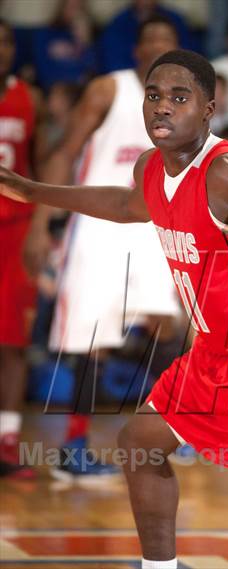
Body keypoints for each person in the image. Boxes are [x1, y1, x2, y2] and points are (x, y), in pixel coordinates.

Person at [0, 49, 228, 569]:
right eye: (154, 95)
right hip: (216, 355)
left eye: (179, 97)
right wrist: (30, 190)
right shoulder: (151, 167)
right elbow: (125, 205)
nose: (163, 108)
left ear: (208, 109)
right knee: (140, 445)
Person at [25, 16, 180, 481]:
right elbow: (64, 151)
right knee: (91, 338)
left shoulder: (181, 103)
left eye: (166, 43)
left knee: (170, 326)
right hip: (98, 224)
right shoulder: (107, 90)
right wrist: (39, 221)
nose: (157, 48)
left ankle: (169, 433)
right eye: (149, 41)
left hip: (152, 226)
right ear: (135, 51)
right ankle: (74, 447)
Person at [0, 20, 43, 479]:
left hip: (14, 229)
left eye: (8, 41)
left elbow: (40, 161)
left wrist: (40, 228)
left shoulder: (29, 99)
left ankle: (8, 442)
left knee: (12, 339)